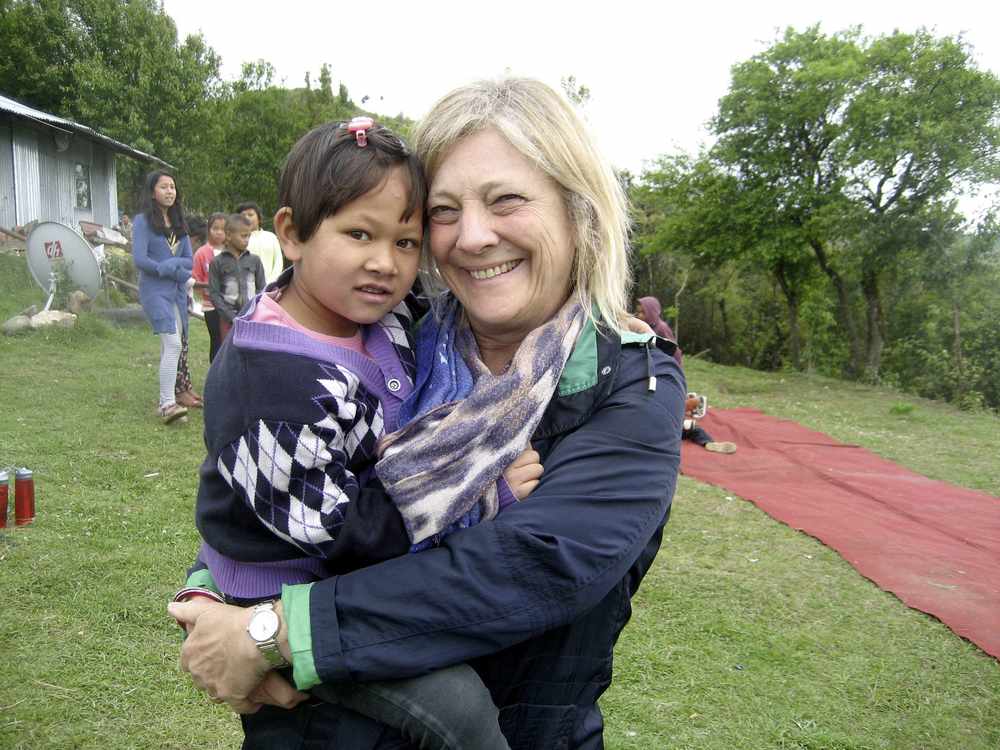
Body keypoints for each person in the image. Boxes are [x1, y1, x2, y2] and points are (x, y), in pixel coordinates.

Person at [170, 77, 685, 749]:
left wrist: (273, 632)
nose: (473, 237)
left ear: (576, 211)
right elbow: (277, 479)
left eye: (506, 201)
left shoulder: (632, 379)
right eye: (445, 210)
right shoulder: (399, 329)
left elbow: (532, 566)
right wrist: (209, 598)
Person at [187, 120, 533, 749]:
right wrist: (481, 495)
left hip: (345, 576)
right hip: (285, 592)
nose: (385, 264)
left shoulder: (374, 314)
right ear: (291, 234)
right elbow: (345, 535)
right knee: (460, 712)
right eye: (358, 234)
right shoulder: (268, 386)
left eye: (406, 242)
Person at [132, 170, 195, 424]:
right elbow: (140, 259)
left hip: (177, 293)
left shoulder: (180, 222)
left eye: (172, 187)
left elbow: (189, 261)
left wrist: (172, 266)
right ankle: (168, 404)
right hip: (154, 291)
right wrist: (165, 268)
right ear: (152, 192)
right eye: (164, 187)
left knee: (172, 344)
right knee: (173, 344)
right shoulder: (142, 221)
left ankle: (165, 401)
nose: (170, 191)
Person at [208, 214, 266, 341]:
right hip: (228, 320)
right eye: (243, 236)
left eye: (249, 236)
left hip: (251, 318)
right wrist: (230, 317)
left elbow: (262, 289)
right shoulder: (217, 262)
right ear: (228, 235)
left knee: (251, 353)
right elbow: (214, 294)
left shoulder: (255, 260)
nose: (247, 240)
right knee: (230, 354)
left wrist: (254, 311)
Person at [192, 213, 227, 362]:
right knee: (217, 340)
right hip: (211, 306)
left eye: (223, 229)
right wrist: (209, 289)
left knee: (230, 341)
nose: (219, 232)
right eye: (215, 228)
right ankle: (215, 375)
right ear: (209, 230)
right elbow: (195, 280)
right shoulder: (201, 253)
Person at [237, 200, 285, 284]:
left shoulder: (271, 237)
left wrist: (270, 283)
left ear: (259, 219)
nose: (246, 218)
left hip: (270, 288)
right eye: (243, 215)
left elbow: (278, 263)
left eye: (250, 215)